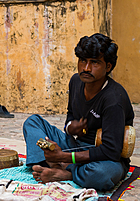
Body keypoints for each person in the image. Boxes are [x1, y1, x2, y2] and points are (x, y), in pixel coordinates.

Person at [22, 33, 134, 191]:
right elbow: (70, 116)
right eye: (83, 60)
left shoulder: (114, 100)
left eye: (94, 63)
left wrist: (65, 157)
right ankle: (55, 163)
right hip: (72, 145)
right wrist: (70, 127)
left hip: (102, 157)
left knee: (102, 174)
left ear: (108, 66)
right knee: (32, 122)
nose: (86, 68)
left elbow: (111, 151)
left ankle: (66, 173)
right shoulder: (76, 81)